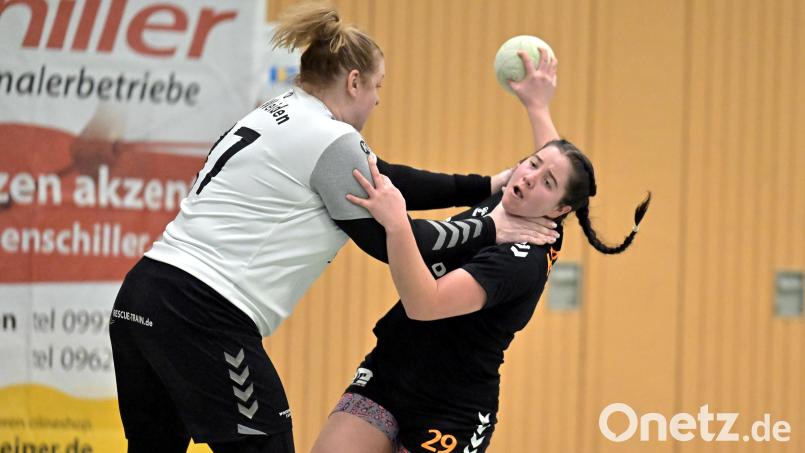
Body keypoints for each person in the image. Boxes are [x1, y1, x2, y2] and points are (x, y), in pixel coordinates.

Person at [108, 3, 558, 453]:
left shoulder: (279, 112)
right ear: (354, 81)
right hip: (202, 310)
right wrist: (490, 229)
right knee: (267, 443)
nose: (378, 100)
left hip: (141, 295)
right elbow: (395, 241)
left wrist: (486, 185)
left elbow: (385, 179)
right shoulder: (331, 140)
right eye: (377, 86)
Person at [310, 53, 651, 453]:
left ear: (560, 211)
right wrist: (537, 104)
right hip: (392, 370)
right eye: (531, 165)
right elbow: (554, 158)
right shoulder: (514, 197)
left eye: (546, 182)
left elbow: (424, 302)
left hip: (451, 410)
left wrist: (396, 221)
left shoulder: (522, 258)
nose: (528, 178)